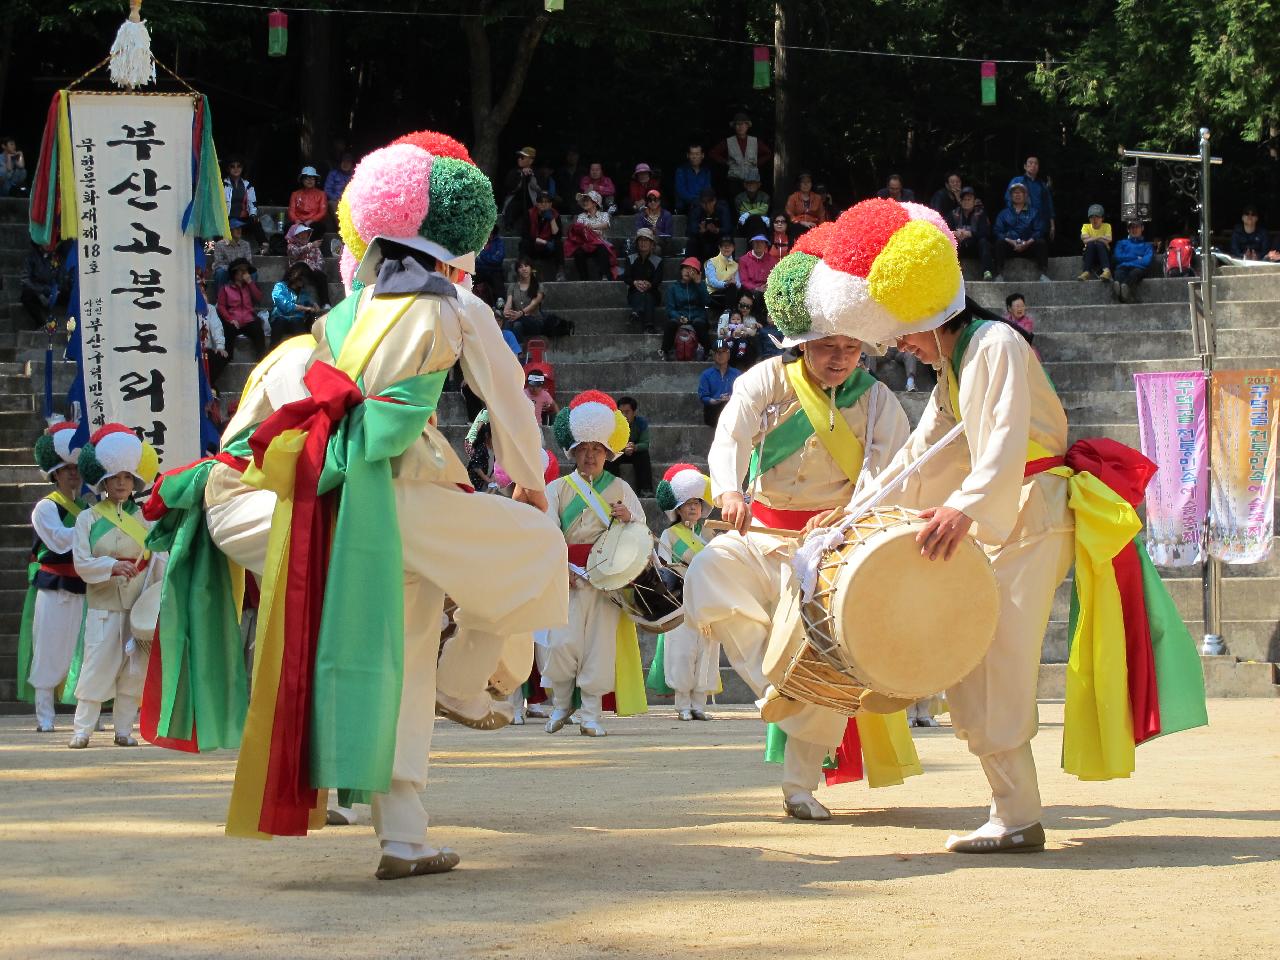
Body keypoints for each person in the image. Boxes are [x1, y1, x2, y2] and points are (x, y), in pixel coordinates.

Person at [146, 129, 568, 879]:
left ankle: (406, 837)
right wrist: (528, 479)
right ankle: (468, 685)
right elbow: (506, 393)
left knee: (398, 658)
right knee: (537, 547)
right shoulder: (453, 303)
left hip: (306, 505)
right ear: (454, 246)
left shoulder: (331, 327)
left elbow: (275, 430)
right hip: (381, 497)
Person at [682, 199, 923, 821]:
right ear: (803, 343)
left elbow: (890, 473)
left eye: (850, 347)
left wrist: (844, 521)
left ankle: (798, 787)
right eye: (825, 346)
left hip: (831, 553)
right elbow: (729, 436)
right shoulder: (765, 380)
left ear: (864, 348)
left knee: (824, 661)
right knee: (710, 572)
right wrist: (730, 489)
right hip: (760, 534)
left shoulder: (879, 402)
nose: (838, 358)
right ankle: (773, 688)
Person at [544, 392, 647, 737]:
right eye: (584, 449)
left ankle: (590, 713)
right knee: (560, 644)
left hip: (606, 579)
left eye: (597, 449)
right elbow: (545, 531)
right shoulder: (557, 488)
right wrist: (559, 569)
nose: (590, 456)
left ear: (608, 453)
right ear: (573, 452)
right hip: (566, 576)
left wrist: (628, 517)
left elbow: (641, 534)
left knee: (599, 648)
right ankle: (560, 704)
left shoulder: (620, 488)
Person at [69, 426, 164, 748]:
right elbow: (81, 563)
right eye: (115, 477)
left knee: (135, 672)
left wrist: (157, 593)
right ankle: (82, 729)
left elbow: (159, 560)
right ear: (104, 482)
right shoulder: (89, 519)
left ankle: (124, 730)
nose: (121, 483)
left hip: (137, 605)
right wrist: (110, 566)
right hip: (104, 605)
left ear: (134, 481)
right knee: (97, 665)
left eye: (127, 477)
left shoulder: (147, 519)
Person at [16, 423, 88, 732]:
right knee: (48, 648)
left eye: (76, 468)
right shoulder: (45, 508)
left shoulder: (87, 507)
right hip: (53, 585)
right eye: (66, 469)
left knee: (82, 650)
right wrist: (90, 530)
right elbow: (59, 541)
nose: (72, 474)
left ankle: (86, 715)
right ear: (55, 474)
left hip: (83, 586)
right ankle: (45, 717)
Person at [652, 465, 718, 720]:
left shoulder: (708, 536)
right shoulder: (669, 535)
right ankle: (682, 704)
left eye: (697, 503)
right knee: (682, 649)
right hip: (679, 599)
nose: (693, 508)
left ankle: (699, 703)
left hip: (706, 598)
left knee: (706, 648)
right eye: (687, 503)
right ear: (678, 508)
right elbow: (663, 564)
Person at [993, 182, 1049, 282]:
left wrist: (1028, 242)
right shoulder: (1003, 213)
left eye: (1020, 192)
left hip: (1028, 246)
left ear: (1026, 195)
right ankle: (999, 274)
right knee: (999, 243)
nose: (1017, 195)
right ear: (1011, 196)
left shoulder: (1034, 212)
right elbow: (997, 231)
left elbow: (1039, 230)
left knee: (1041, 243)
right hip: (1011, 246)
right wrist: (1011, 241)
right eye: (1014, 193)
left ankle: (1043, 274)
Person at [216, 258, 267, 365]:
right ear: (234, 273)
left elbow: (259, 297)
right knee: (228, 330)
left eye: (246, 271)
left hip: (249, 319)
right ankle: (227, 358)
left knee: (258, 327)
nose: (244, 273)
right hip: (234, 320)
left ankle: (262, 359)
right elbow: (221, 306)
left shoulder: (249, 286)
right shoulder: (226, 289)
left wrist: (250, 283)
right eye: (241, 271)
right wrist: (230, 319)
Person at [710, 112, 774, 196]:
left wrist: (757, 163)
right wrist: (726, 162)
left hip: (752, 180)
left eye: (743, 124)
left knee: (751, 206)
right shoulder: (728, 141)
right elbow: (713, 153)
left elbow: (768, 153)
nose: (740, 127)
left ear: (747, 126)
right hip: (735, 180)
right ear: (734, 127)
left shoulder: (755, 141)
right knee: (735, 205)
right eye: (737, 124)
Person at [663, 257, 711, 359]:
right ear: (681, 270)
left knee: (699, 323)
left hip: (697, 316)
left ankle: (708, 351)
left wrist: (699, 284)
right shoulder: (673, 288)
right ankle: (664, 351)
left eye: (692, 270)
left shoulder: (700, 285)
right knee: (671, 323)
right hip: (681, 316)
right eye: (685, 268)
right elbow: (670, 309)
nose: (688, 272)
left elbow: (707, 302)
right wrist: (679, 317)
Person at [605, 396, 654, 495]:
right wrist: (623, 448)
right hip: (619, 451)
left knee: (643, 455)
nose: (623, 415)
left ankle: (645, 489)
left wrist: (634, 447)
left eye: (627, 412)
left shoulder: (641, 423)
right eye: (621, 412)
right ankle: (613, 489)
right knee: (609, 457)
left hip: (635, 452)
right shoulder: (613, 424)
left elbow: (645, 443)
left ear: (634, 412)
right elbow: (609, 444)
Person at [1005, 155, 1055, 242]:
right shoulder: (1017, 181)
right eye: (1030, 163)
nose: (1033, 165)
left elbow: (1049, 205)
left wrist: (1052, 226)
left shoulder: (1042, 185)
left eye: (1036, 163)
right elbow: (1008, 199)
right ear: (1025, 166)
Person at [947, 186, 993, 279]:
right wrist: (955, 233)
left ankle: (987, 271)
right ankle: (950, 274)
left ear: (974, 201)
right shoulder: (953, 213)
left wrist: (970, 233)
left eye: (969, 199)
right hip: (960, 247)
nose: (966, 202)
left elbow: (986, 233)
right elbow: (945, 230)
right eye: (964, 199)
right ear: (960, 201)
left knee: (984, 242)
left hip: (975, 247)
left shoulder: (980, 213)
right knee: (948, 243)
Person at [566, 190, 613, 280]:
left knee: (603, 249)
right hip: (585, 244)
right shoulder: (581, 216)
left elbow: (606, 224)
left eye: (587, 200)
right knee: (578, 252)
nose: (585, 202)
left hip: (599, 243)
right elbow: (579, 229)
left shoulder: (604, 214)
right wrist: (590, 231)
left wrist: (592, 227)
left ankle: (604, 275)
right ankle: (584, 278)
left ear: (595, 203)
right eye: (584, 201)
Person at [270, 262, 322, 342]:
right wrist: (305, 308)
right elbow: (284, 305)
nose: (303, 281)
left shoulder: (304, 292)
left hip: (297, 321)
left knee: (298, 322)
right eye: (300, 278)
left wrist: (314, 304)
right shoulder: (280, 286)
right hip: (280, 317)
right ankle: (271, 350)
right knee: (280, 322)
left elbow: (310, 301)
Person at [20, 242, 69, 328]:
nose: (48, 244)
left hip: (54, 292)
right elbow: (25, 280)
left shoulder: (56, 257)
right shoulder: (31, 258)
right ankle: (40, 322)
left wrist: (56, 290)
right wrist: (41, 291)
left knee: (70, 294)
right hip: (38, 291)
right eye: (45, 242)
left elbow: (62, 279)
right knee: (26, 296)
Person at [624, 228, 663, 333]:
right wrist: (635, 283)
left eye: (646, 240)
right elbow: (626, 277)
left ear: (652, 244)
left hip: (652, 292)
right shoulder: (630, 258)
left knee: (648, 295)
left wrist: (649, 284)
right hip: (634, 292)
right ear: (637, 243)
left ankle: (636, 311)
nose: (643, 243)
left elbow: (658, 279)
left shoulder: (658, 260)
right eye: (640, 240)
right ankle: (649, 326)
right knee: (642, 294)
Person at [519, 192, 563, 281]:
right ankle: (523, 271)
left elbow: (557, 235)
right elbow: (525, 234)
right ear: (537, 203)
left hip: (547, 249)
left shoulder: (555, 215)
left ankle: (560, 271)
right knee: (523, 243)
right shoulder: (530, 213)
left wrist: (552, 220)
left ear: (551, 204)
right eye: (541, 202)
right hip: (534, 246)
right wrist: (544, 242)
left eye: (547, 202)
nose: (543, 204)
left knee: (558, 243)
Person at [223, 158, 265, 248]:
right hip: (227, 219)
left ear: (242, 168)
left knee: (256, 222)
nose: (236, 169)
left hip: (243, 220)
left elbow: (252, 203)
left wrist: (253, 214)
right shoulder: (223, 184)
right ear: (227, 169)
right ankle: (212, 246)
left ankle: (264, 246)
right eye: (232, 166)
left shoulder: (248, 185)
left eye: (239, 166)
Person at [698, 341, 741, 427]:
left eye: (723, 352)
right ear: (713, 355)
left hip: (732, 409)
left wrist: (730, 398)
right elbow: (703, 396)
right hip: (714, 411)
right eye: (717, 352)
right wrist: (715, 400)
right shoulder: (706, 375)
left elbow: (743, 394)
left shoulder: (737, 374)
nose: (720, 355)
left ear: (728, 354)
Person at [503, 256, 545, 342]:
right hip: (516, 319)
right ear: (517, 270)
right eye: (521, 267)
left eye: (526, 266)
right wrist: (506, 311)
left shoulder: (538, 286)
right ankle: (508, 351)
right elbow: (509, 302)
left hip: (534, 321)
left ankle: (517, 353)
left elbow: (533, 304)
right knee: (510, 323)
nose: (524, 269)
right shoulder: (513, 287)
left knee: (517, 324)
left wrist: (521, 313)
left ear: (531, 268)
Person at [687, 188, 734, 262]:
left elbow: (728, 228)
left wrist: (717, 230)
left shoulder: (722, 209)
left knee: (727, 239)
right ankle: (692, 268)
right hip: (702, 240)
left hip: (718, 238)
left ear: (714, 201)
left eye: (709, 202)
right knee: (692, 242)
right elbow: (691, 229)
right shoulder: (696, 210)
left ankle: (727, 268)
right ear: (700, 202)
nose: (707, 205)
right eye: (704, 202)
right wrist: (701, 231)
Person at [1112, 220, 1154, 303]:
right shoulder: (1121, 243)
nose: (1134, 229)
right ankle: (1119, 289)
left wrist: (1128, 259)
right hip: (1123, 267)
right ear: (1128, 230)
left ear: (1142, 228)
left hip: (1139, 269)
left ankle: (1124, 288)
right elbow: (1118, 256)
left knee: (1135, 273)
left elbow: (1146, 261)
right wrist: (1137, 257)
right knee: (1119, 272)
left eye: (1137, 227)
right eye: (1132, 227)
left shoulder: (1147, 245)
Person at [502, 146, 543, 227]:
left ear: (531, 160)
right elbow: (509, 188)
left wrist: (531, 176)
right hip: (515, 202)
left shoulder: (538, 173)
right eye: (519, 157)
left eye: (522, 157)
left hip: (533, 203)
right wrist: (521, 176)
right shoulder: (513, 172)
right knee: (512, 209)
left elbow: (540, 190)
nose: (519, 159)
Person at [717, 293, 761, 367]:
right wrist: (732, 333)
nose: (745, 309)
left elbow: (752, 333)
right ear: (737, 303)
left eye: (748, 307)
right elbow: (719, 334)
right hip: (728, 342)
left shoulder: (751, 319)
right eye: (742, 305)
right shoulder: (726, 316)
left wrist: (743, 333)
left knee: (751, 344)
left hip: (743, 344)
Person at [211, 219, 255, 292]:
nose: (239, 230)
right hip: (226, 270)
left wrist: (240, 270)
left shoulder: (245, 244)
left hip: (241, 270)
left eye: (240, 228)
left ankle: (248, 300)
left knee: (253, 274)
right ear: (229, 231)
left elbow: (248, 262)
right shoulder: (220, 244)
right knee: (220, 273)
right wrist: (234, 269)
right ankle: (220, 298)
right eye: (236, 228)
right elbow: (219, 263)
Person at [704, 234, 740, 316]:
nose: (726, 248)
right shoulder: (711, 262)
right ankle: (729, 313)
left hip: (730, 292)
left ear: (733, 248)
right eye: (724, 246)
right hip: (714, 294)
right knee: (731, 287)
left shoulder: (736, 265)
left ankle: (729, 312)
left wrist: (734, 283)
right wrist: (725, 284)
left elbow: (739, 284)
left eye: (729, 246)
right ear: (720, 248)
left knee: (734, 287)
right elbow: (712, 281)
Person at [675, 143, 713, 218]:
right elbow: (681, 191)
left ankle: (720, 230)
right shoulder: (681, 170)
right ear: (688, 156)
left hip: (702, 203)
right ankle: (694, 229)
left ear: (702, 155)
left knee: (722, 206)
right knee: (697, 207)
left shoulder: (706, 172)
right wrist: (697, 200)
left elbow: (707, 189)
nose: (694, 157)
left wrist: (705, 202)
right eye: (692, 154)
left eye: (697, 154)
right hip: (686, 204)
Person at [733, 167, 771, 236]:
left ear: (759, 185)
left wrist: (749, 213)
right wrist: (757, 214)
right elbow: (742, 214)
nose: (751, 185)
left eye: (754, 183)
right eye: (749, 183)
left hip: (761, 224)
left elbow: (764, 210)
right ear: (745, 185)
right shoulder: (739, 198)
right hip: (746, 225)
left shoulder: (765, 196)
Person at [1079, 204, 1113, 280]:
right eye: (1092, 217)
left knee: (1099, 244)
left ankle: (1106, 271)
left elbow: (1109, 239)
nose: (1094, 220)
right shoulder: (1085, 226)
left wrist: (1091, 238)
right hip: (1090, 253)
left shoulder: (1107, 226)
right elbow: (1084, 239)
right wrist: (1101, 237)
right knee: (1091, 244)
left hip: (1104, 254)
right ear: (1089, 219)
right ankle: (1086, 272)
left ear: (1102, 218)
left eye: (1097, 217)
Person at [553, 146, 587, 212]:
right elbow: (554, 191)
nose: (572, 157)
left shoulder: (584, 172)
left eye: (574, 155)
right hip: (562, 207)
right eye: (569, 155)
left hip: (580, 208)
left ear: (578, 156)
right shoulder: (559, 172)